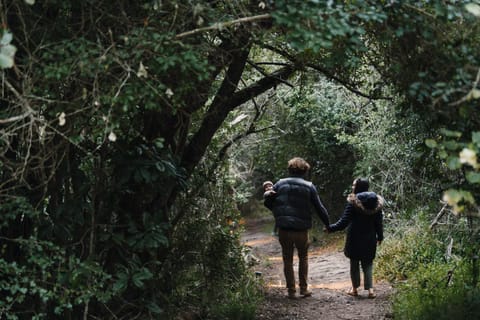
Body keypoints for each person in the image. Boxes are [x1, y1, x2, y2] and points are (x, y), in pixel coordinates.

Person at [264, 157, 330, 299]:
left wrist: (278, 212)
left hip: (284, 229)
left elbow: (268, 202)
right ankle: (304, 289)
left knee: (287, 259)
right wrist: (328, 224)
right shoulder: (309, 186)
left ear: (289, 169)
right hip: (301, 230)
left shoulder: (280, 184)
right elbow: (320, 208)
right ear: (305, 171)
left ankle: (291, 291)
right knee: (303, 257)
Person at [326, 178, 384, 298]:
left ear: (358, 187)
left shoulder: (353, 202)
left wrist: (330, 228)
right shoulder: (376, 202)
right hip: (370, 237)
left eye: (354, 185)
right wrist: (380, 236)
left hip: (355, 238)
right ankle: (371, 290)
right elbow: (379, 222)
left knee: (354, 263)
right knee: (368, 263)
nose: (352, 187)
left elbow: (344, 221)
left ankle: (355, 289)